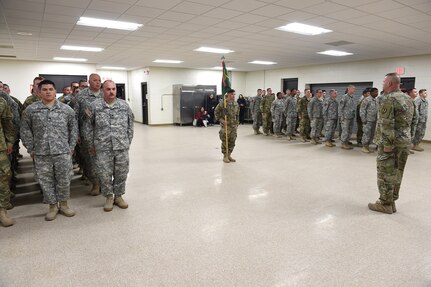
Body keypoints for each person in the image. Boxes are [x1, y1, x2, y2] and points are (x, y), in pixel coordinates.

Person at [20, 79, 78, 221]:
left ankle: (64, 204)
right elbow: (25, 130)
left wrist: (70, 148)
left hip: (62, 152)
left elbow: (74, 129)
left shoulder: (66, 110)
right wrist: (31, 149)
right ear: (39, 92)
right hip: (41, 153)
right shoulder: (31, 110)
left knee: (64, 179)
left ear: (54, 91)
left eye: (50, 89)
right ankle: (52, 206)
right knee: (46, 181)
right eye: (44, 90)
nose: (48, 92)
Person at [84, 80, 134, 212]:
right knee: (104, 174)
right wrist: (91, 145)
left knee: (122, 172)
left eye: (113, 89)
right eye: (108, 89)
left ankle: (118, 196)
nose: (111, 91)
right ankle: (109, 197)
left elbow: (130, 125)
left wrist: (127, 141)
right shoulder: (94, 106)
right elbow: (87, 127)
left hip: (121, 146)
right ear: (102, 90)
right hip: (102, 147)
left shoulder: (124, 106)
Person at [368, 73, 414, 214]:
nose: (382, 84)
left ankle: (385, 203)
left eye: (384, 81)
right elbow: (413, 120)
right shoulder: (408, 98)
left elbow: (386, 124)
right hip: (404, 141)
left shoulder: (388, 99)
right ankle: (392, 201)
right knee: (397, 172)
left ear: (389, 83)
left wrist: (387, 144)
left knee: (385, 173)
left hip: (391, 143)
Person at [74, 73, 102, 196]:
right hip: (87, 134)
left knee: (104, 159)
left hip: (103, 133)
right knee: (90, 160)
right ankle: (95, 183)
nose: (98, 82)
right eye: (95, 80)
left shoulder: (104, 94)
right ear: (89, 82)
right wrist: (76, 134)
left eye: (99, 80)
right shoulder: (81, 96)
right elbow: (74, 117)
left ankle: (104, 182)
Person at [0, 94, 15, 227]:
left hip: (0, 147)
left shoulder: (1, 101)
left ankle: (2, 211)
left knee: (3, 177)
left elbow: (7, 123)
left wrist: (10, 141)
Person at [215, 89, 239, 163]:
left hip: (233, 126)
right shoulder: (223, 103)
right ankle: (225, 156)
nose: (233, 96)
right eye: (232, 94)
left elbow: (237, 114)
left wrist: (237, 122)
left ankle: (229, 155)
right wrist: (222, 120)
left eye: (234, 94)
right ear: (228, 94)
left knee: (233, 141)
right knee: (225, 141)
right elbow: (216, 112)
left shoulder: (236, 104)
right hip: (226, 125)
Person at [360, 87, 378, 153]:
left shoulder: (376, 100)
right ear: (371, 93)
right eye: (375, 92)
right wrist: (363, 119)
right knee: (366, 133)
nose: (377, 93)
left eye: (377, 92)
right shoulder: (366, 100)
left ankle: (368, 145)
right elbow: (362, 110)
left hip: (374, 120)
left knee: (372, 134)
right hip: (367, 120)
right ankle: (364, 146)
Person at [338, 85, 356, 150]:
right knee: (345, 131)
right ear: (349, 89)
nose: (354, 90)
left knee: (349, 131)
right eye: (353, 89)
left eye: (355, 89)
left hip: (351, 117)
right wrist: (341, 117)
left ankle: (346, 141)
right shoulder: (344, 97)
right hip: (345, 117)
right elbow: (340, 108)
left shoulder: (353, 97)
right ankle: (343, 143)